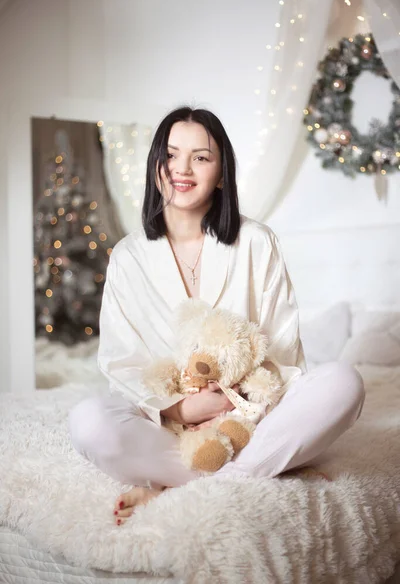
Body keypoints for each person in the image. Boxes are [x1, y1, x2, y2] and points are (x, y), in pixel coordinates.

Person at [68, 106, 365, 526]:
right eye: (170, 155)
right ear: (155, 165)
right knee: (87, 421)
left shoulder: (258, 243)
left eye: (201, 157)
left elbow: (283, 354)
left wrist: (234, 404)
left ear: (222, 174)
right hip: (167, 426)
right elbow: (121, 364)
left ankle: (178, 485)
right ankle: (260, 471)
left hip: (250, 422)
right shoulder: (129, 257)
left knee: (343, 383)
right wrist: (181, 410)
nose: (181, 169)